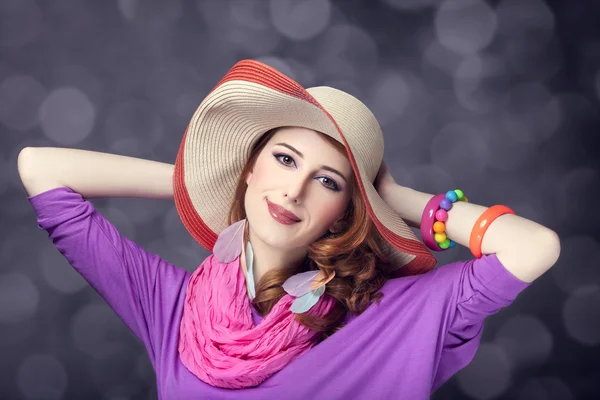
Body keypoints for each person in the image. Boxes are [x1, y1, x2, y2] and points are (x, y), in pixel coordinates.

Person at [18, 59, 561, 399]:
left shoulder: (397, 312)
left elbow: (534, 246)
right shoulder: (171, 308)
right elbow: (41, 168)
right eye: (282, 160)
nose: (294, 190)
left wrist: (394, 198)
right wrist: (204, 178)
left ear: (348, 212)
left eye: (327, 181)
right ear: (250, 166)